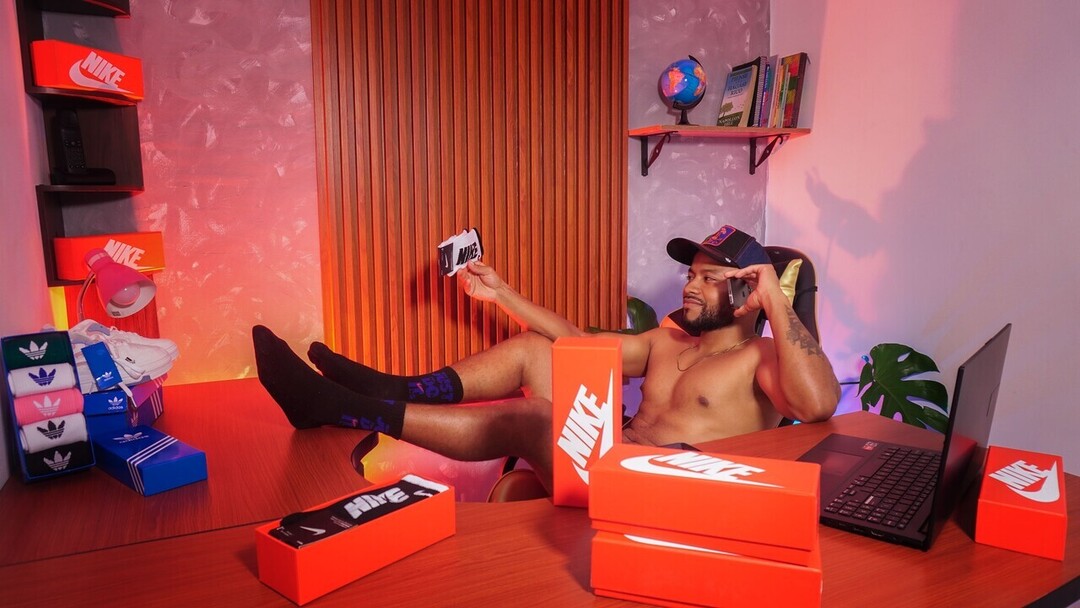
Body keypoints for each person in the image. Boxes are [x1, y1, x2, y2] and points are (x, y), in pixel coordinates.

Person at [253, 225, 840, 492]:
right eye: (691, 274)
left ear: (747, 292)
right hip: (614, 459)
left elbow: (817, 404)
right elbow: (574, 341)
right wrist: (501, 293)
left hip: (667, 488)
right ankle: (390, 388)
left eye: (709, 279)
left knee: (537, 417)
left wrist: (776, 300)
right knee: (540, 351)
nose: (690, 285)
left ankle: (342, 407)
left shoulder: (762, 356)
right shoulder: (667, 342)